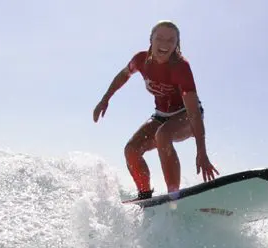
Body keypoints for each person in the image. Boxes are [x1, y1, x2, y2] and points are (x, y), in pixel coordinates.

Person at [93, 20, 219, 199]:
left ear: (177, 44)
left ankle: (173, 197)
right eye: (159, 38)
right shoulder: (140, 60)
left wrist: (202, 152)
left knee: (163, 135)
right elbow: (123, 75)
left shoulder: (181, 68)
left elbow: (193, 112)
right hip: (161, 116)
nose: (164, 44)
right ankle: (145, 195)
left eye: (171, 40)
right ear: (151, 40)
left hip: (186, 116)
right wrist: (105, 99)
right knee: (131, 150)